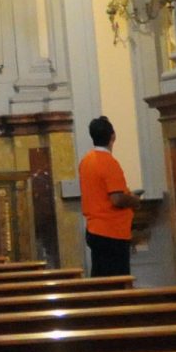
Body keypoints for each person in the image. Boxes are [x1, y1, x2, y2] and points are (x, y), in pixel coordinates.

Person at [77, 116, 136, 279]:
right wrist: (134, 200)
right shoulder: (109, 163)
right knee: (118, 282)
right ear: (113, 136)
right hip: (113, 231)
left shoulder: (86, 161)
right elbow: (117, 199)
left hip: (94, 229)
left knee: (101, 280)